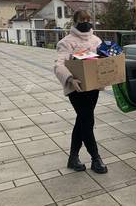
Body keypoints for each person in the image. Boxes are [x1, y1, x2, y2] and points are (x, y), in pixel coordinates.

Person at [53, 10, 108, 174]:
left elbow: (103, 59)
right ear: (75, 22)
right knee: (87, 121)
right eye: (81, 19)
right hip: (76, 89)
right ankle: (95, 158)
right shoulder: (66, 42)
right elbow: (58, 65)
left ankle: (73, 158)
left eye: (87, 19)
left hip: (92, 88)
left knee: (82, 121)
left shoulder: (96, 40)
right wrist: (69, 79)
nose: (85, 22)